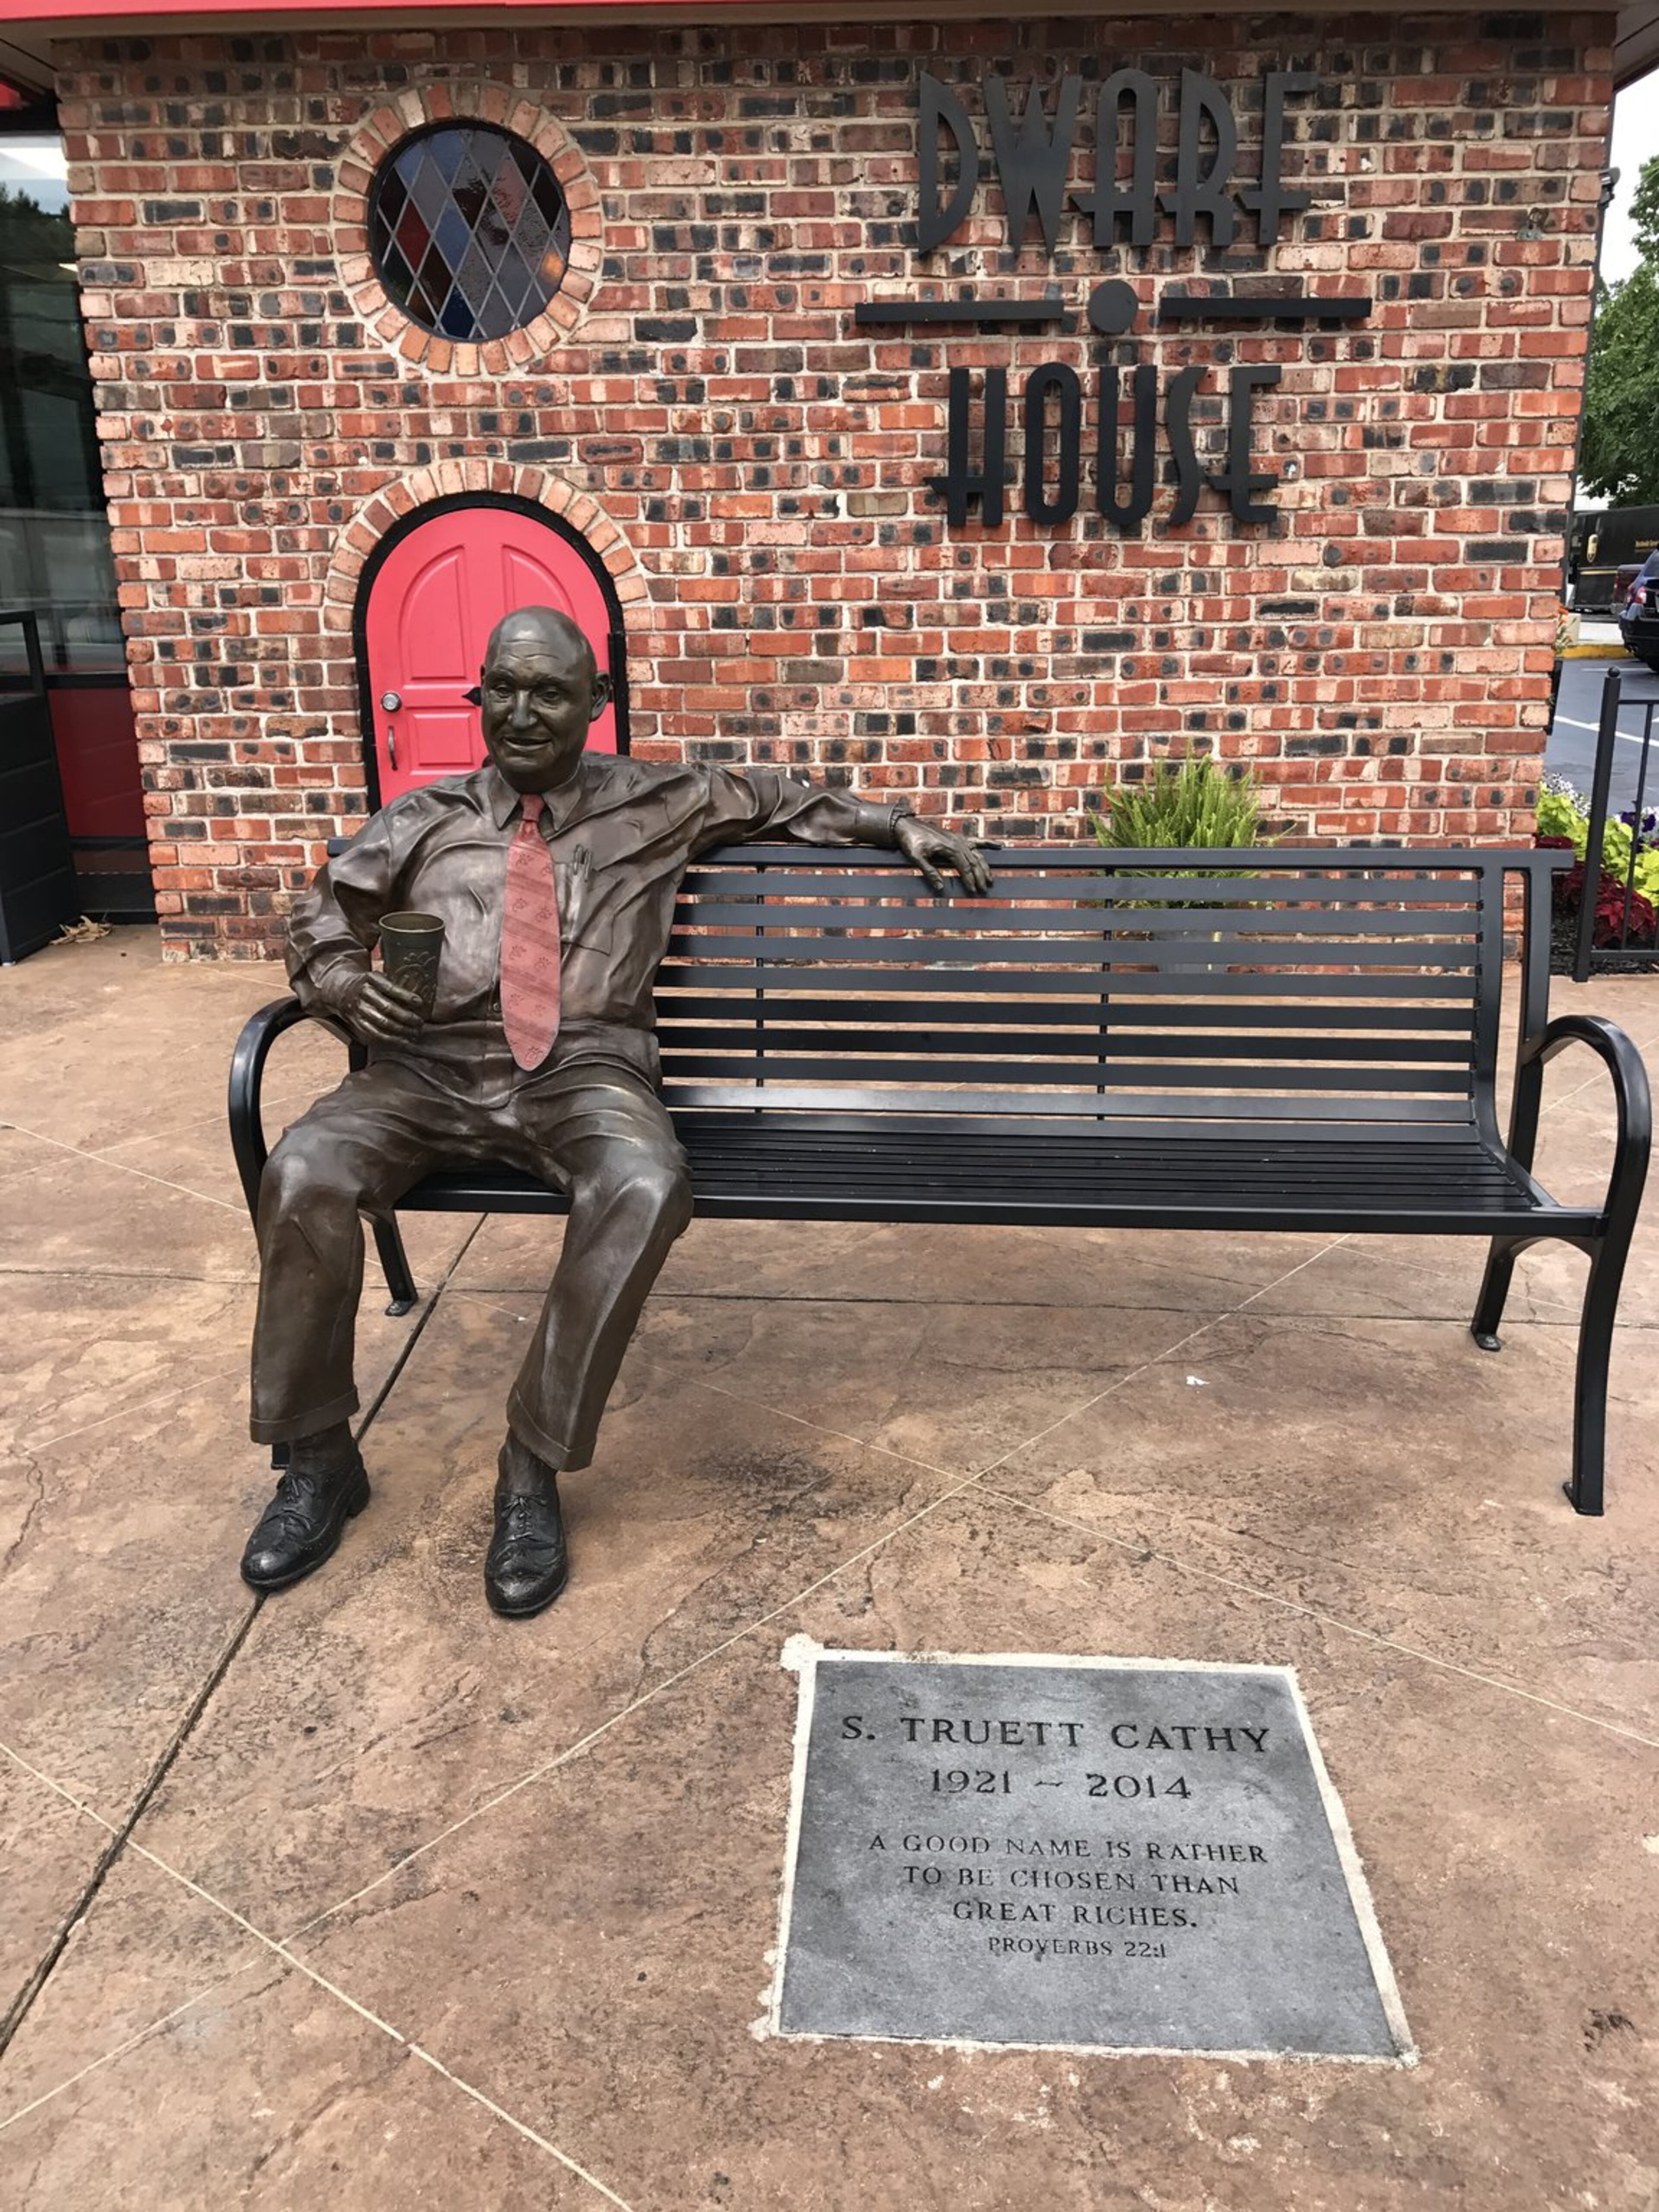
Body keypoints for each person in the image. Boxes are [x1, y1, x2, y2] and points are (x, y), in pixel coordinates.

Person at [241, 604, 992, 1618]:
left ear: (597, 703)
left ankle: (531, 1465)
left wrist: (900, 824)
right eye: (503, 689)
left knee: (644, 1181)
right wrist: (335, 978)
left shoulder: (663, 797)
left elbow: (788, 798)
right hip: (423, 1073)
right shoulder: (424, 816)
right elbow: (328, 905)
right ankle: (319, 1460)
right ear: (477, 696)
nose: (521, 712)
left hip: (582, 1071)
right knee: (303, 1169)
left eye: (549, 692)